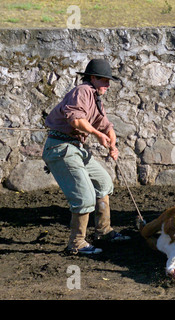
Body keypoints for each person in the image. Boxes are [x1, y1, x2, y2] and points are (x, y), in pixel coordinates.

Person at [42, 59, 130, 255]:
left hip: (75, 148)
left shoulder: (95, 98)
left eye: (109, 81)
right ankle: (76, 243)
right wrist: (97, 135)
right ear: (92, 78)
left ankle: (103, 231)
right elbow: (76, 120)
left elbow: (106, 126)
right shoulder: (82, 91)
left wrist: (112, 143)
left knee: (103, 182)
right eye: (104, 80)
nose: (107, 85)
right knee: (84, 196)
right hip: (60, 147)